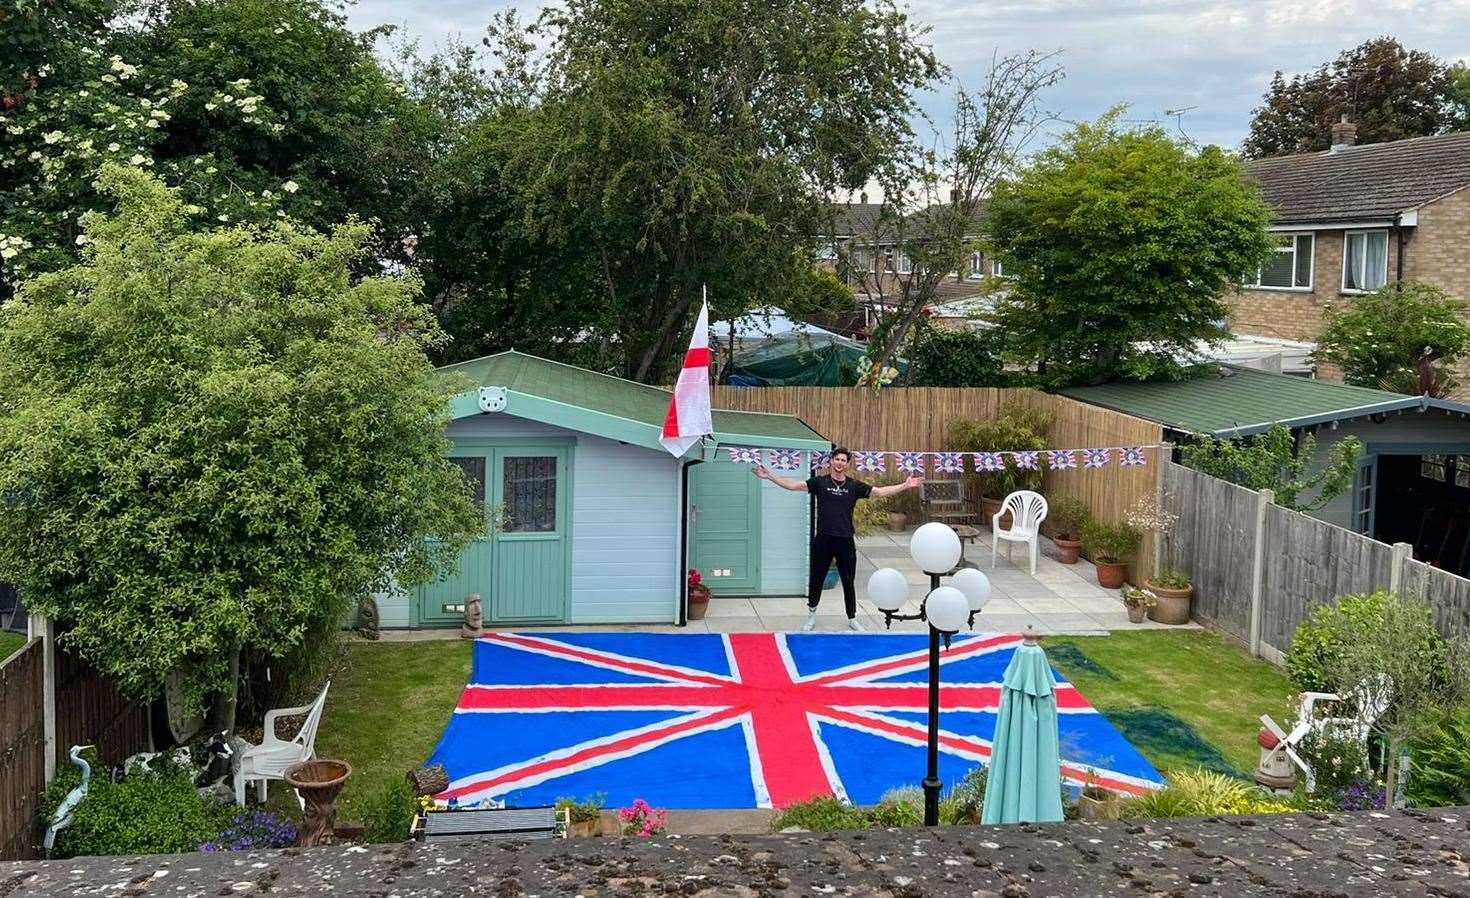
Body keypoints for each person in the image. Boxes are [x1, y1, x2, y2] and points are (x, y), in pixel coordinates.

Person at [754, 448, 923, 632]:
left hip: (845, 540)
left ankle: (852, 618)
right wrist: (770, 476)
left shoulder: (854, 486)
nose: (840, 462)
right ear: (831, 461)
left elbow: (880, 492)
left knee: (848, 580)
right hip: (824, 539)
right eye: (837, 459)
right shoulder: (820, 482)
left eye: (843, 460)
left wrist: (904, 486)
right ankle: (811, 615)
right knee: (816, 579)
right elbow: (794, 485)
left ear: (847, 464)